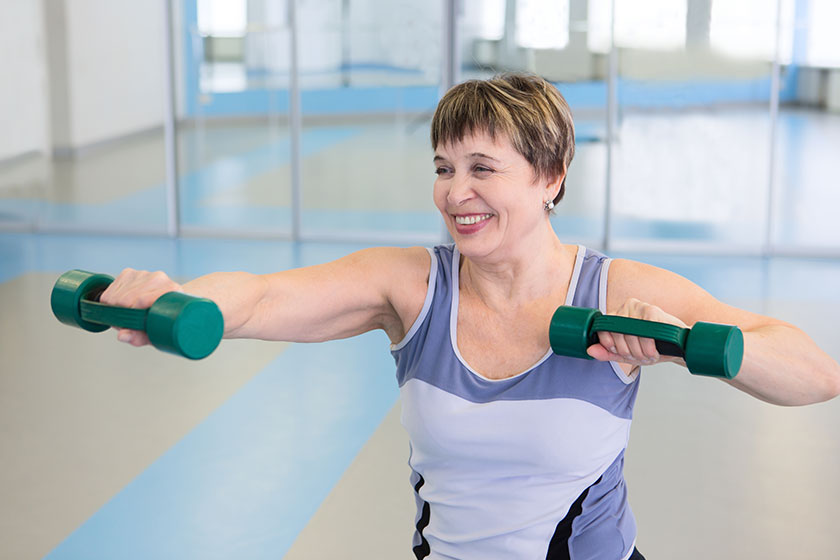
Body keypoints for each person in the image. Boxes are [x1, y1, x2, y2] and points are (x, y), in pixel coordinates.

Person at [100, 73, 840, 560]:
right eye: (443, 167)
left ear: (550, 178)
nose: (456, 192)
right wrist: (179, 300)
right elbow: (262, 296)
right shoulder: (414, 285)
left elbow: (814, 373)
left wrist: (678, 343)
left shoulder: (613, 289)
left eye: (483, 168)